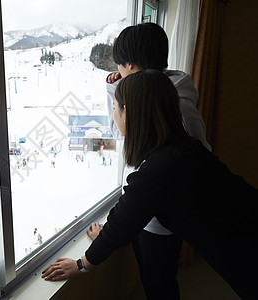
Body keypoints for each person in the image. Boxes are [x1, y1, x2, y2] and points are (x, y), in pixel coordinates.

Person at [41, 70, 258, 300]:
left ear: (129, 114)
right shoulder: (184, 148)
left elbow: (122, 222)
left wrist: (82, 264)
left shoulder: (157, 171)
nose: (113, 116)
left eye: (115, 107)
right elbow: (130, 213)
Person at [91, 22, 212, 300]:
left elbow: (195, 158)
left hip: (160, 220)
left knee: (159, 284)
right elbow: (120, 131)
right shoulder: (153, 95)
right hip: (144, 211)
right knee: (153, 278)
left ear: (132, 67)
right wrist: (115, 91)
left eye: (121, 66)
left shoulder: (176, 106)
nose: (118, 73)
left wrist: (85, 262)